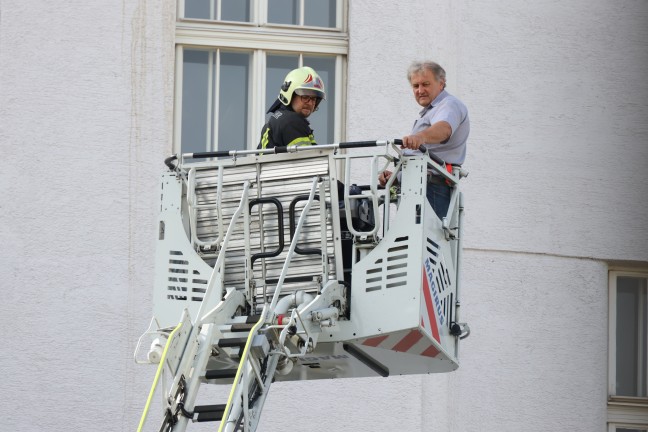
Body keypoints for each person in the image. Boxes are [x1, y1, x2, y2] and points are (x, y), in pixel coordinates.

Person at [378, 60, 470, 218]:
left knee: (425, 242)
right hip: (419, 188)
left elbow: (444, 129)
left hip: (431, 189)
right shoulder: (431, 111)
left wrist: (420, 137)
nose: (420, 90)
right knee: (411, 242)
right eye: (415, 86)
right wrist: (395, 177)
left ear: (441, 83)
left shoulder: (449, 105)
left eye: (425, 84)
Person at [258, 66, 326, 149]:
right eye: (305, 97)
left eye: (314, 98)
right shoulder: (292, 122)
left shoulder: (278, 118)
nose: (310, 103)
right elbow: (307, 158)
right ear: (290, 95)